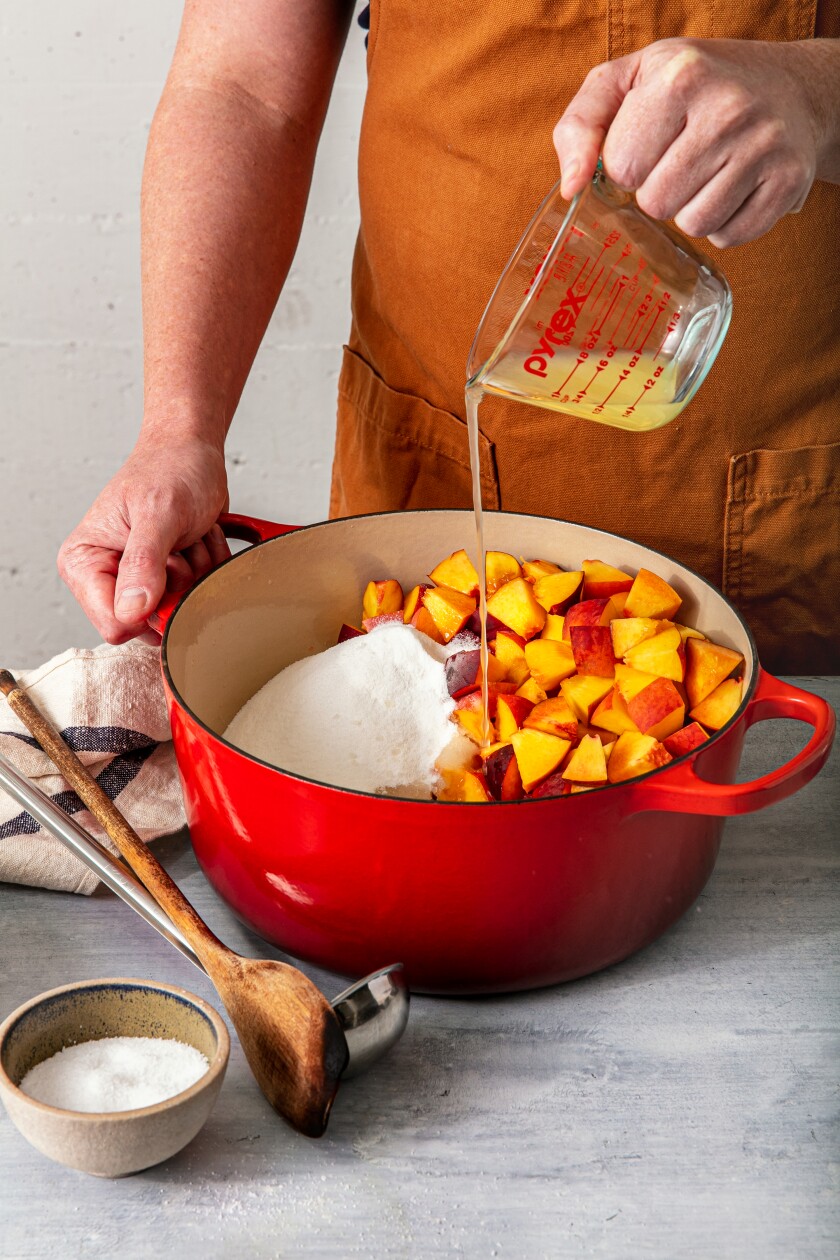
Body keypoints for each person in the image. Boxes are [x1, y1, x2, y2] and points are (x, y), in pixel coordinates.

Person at [58, 1, 840, 673]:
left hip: (797, 507)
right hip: (432, 469)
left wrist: (817, 93)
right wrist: (177, 432)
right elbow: (243, 87)